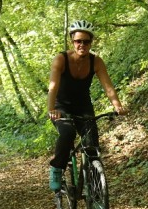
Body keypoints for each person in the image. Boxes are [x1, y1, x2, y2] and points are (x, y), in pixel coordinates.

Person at [47, 20, 126, 191]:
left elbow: (108, 86)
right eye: (78, 41)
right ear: (72, 41)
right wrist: (51, 109)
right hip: (61, 106)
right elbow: (52, 87)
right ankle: (57, 169)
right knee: (67, 133)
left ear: (91, 43)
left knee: (91, 145)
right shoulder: (61, 59)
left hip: (83, 106)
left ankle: (95, 188)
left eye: (86, 41)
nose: (82, 45)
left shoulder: (96, 61)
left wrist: (117, 105)